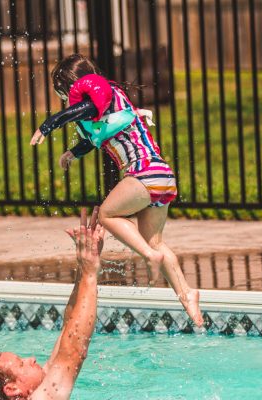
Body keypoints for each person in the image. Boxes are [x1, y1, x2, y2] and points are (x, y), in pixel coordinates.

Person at [30, 54, 203, 327]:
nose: (65, 99)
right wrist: (74, 153)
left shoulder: (104, 95)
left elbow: (84, 111)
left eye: (63, 92)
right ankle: (187, 295)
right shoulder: (109, 103)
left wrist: (48, 125)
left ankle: (149, 257)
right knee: (155, 241)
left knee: (108, 214)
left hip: (143, 172)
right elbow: (96, 134)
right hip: (161, 175)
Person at [0, 207, 105, 400]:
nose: (31, 359)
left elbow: (69, 330)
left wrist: (84, 265)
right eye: (21, 364)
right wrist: (91, 271)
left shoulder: (40, 389)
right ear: (12, 389)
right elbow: (75, 351)